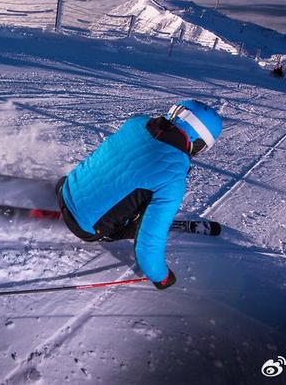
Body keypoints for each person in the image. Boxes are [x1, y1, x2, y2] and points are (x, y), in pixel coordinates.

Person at [55, 100, 223, 290]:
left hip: (64, 188)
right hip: (86, 227)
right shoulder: (174, 176)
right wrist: (162, 277)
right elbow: (147, 245)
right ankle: (135, 220)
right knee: (148, 207)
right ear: (199, 142)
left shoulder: (138, 123)